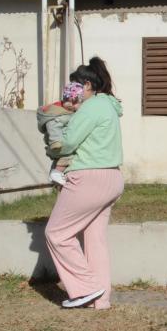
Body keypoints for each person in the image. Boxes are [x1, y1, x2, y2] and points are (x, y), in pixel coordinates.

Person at [45, 57, 124, 310]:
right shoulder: (109, 106)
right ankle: (100, 300)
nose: (74, 93)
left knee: (56, 234)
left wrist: (53, 146)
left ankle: (86, 289)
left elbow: (67, 143)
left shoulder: (91, 107)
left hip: (89, 177)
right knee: (94, 238)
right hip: (112, 176)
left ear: (87, 85)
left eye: (76, 87)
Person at [37, 81, 84, 186]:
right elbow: (52, 125)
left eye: (75, 101)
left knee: (59, 159)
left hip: (57, 144)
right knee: (68, 156)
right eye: (68, 100)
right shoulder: (58, 112)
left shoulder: (65, 111)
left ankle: (54, 174)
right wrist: (55, 141)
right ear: (63, 99)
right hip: (57, 144)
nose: (71, 105)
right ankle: (57, 173)